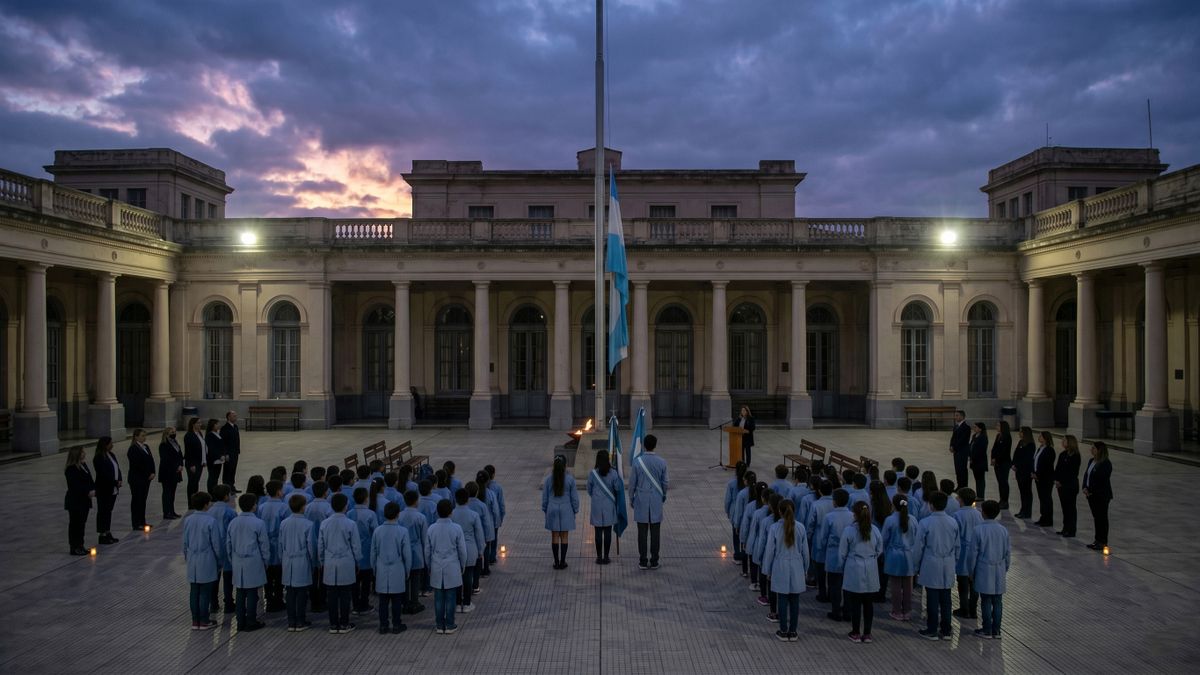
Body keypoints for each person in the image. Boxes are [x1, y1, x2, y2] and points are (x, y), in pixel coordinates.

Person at [915, 491, 960, 640]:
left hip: (931, 561)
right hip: (948, 562)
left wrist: (916, 565)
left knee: (932, 596)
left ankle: (932, 628)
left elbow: (918, 546)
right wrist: (955, 561)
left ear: (931, 505)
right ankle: (946, 629)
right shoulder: (953, 522)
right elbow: (957, 546)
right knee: (946, 597)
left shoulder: (925, 522)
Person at [762, 501, 809, 641]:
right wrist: (806, 569)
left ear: (779, 512)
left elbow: (770, 551)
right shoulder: (800, 527)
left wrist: (767, 570)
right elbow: (805, 551)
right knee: (795, 599)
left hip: (780, 564)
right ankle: (793, 631)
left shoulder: (775, 528)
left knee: (782, 598)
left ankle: (783, 630)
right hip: (796, 565)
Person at [838, 502, 883, 643]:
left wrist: (842, 567)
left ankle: (856, 632)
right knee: (868, 603)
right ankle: (868, 633)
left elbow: (842, 553)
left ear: (855, 514)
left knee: (855, 602)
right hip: (870, 567)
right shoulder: (874, 530)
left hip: (854, 567)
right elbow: (880, 549)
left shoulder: (849, 530)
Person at [966, 500, 1010, 639]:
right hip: (999, 568)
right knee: (998, 600)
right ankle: (996, 630)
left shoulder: (978, 530)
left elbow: (973, 553)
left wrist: (971, 571)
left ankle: (986, 629)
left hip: (984, 568)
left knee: (985, 600)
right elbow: (1007, 553)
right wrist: (1005, 568)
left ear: (983, 513)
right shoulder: (1003, 530)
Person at [319, 492, 361, 634]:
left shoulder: (324, 523)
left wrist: (322, 561)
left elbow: (321, 545)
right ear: (346, 506)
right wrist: (357, 561)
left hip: (330, 562)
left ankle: (333, 623)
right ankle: (344, 623)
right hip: (346, 562)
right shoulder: (350, 524)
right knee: (345, 594)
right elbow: (355, 546)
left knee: (331, 594)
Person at [227, 493, 269, 632]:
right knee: (252, 593)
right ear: (253, 506)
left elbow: (228, 544)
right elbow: (264, 545)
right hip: (253, 561)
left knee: (240, 592)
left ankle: (240, 621)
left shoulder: (233, 522)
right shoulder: (258, 523)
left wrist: (232, 559)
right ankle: (251, 620)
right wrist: (265, 560)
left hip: (238, 560)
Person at [426, 499, 468, 634]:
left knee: (438, 597)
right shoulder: (456, 528)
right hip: (452, 565)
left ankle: (439, 624)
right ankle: (450, 624)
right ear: (451, 512)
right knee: (450, 596)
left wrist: (429, 566)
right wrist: (463, 564)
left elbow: (427, 550)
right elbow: (462, 550)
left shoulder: (431, 528)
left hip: (436, 565)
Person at [182, 491, 223, 631]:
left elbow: (185, 542)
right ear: (206, 505)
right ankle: (204, 620)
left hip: (193, 558)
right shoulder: (211, 521)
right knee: (205, 591)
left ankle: (195, 620)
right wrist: (219, 561)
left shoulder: (188, 520)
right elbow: (216, 544)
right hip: (207, 559)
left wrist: (187, 556)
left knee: (194, 590)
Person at [372, 501, 412, 634]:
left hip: (381, 568)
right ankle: (396, 624)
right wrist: (407, 570)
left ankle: (383, 625)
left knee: (383, 600)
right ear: (398, 514)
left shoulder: (377, 530)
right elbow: (407, 554)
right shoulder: (402, 531)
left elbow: (373, 552)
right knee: (396, 599)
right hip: (397, 569)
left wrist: (374, 569)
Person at [630, 434, 669, 570]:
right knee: (655, 532)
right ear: (655, 445)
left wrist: (631, 498)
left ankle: (642, 560)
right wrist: (663, 494)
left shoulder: (637, 462)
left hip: (641, 498)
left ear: (645, 446)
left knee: (642, 533)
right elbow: (665, 482)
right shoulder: (662, 462)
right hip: (656, 499)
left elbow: (632, 483)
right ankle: (654, 560)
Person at [279, 493, 316, 631]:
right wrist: (313, 562)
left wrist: (281, 558)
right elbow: (310, 546)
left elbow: (280, 543)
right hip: (302, 559)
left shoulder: (284, 523)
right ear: (303, 507)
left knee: (289, 591)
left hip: (287, 559)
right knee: (301, 592)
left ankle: (291, 621)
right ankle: (300, 620)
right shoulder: (308, 524)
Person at [816, 489, 854, 622]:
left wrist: (821, 548)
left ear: (835, 502)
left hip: (833, 552)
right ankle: (848, 611)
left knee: (834, 583)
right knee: (847, 584)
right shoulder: (852, 516)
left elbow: (823, 537)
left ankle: (835, 610)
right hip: (849, 553)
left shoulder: (829, 517)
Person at [882, 494, 919, 621]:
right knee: (908, 584)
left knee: (896, 584)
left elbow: (884, 539)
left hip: (894, 554)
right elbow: (916, 538)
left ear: (893, 505)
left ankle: (896, 610)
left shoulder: (890, 520)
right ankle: (907, 610)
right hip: (909, 554)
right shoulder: (913, 519)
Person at [542, 454, 579, 570]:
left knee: (554, 536)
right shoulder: (570, 479)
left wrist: (545, 509)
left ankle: (556, 562)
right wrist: (575, 509)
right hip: (566, 509)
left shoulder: (548, 479)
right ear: (565, 465)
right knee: (564, 536)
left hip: (552, 508)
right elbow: (574, 498)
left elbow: (545, 497)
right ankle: (563, 561)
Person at [450, 489, 484, 612]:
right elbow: (479, 534)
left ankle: (458, 603)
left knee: (457, 576)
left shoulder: (451, 514)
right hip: (470, 548)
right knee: (468, 576)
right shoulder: (473, 515)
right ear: (468, 499)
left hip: (455, 549)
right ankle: (467, 602)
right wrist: (481, 550)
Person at [258, 480, 290, 612]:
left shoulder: (262, 507)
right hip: (278, 542)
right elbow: (286, 527)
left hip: (265, 542)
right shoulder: (284, 507)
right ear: (278, 491)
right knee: (279, 573)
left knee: (268, 573)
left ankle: (269, 598)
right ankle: (278, 598)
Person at [588, 448, 624, 564]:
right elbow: (618, 488)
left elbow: (589, 489)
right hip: (609, 504)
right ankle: (606, 557)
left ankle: (599, 557)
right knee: (608, 531)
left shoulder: (592, 473)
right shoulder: (613, 473)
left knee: (598, 531)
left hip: (597, 505)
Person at [951, 487, 982, 620]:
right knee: (974, 583)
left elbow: (955, 534)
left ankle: (964, 608)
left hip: (963, 551)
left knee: (962, 583)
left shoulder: (957, 515)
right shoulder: (978, 514)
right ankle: (973, 608)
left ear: (961, 500)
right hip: (976, 550)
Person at [397, 490, 429, 614]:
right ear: (416, 501)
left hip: (402, 550)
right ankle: (415, 602)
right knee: (416, 578)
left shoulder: (399, 515)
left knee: (405, 577)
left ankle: (405, 602)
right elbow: (424, 537)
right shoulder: (420, 517)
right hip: (416, 551)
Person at [303, 481, 333, 613]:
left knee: (313, 573)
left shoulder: (308, 507)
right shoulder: (328, 507)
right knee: (323, 572)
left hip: (310, 542)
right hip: (324, 543)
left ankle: (314, 600)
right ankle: (322, 600)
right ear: (325, 492)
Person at [209, 485, 237, 613]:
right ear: (226, 496)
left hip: (213, 547)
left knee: (214, 575)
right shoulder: (230, 512)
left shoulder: (210, 511)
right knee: (228, 575)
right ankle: (229, 602)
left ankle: (213, 602)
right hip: (226, 547)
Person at [351, 487, 379, 614]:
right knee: (366, 580)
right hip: (367, 550)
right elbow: (375, 532)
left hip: (352, 551)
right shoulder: (370, 514)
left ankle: (355, 604)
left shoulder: (349, 513)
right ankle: (364, 603)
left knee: (355, 580)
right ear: (366, 499)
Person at [64, 446, 95, 555]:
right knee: (75, 524)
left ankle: (80, 545)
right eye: (82, 452)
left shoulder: (84, 465)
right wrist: (87, 491)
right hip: (75, 501)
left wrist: (93, 489)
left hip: (84, 500)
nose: (84, 453)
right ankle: (74, 546)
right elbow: (75, 485)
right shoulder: (71, 469)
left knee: (82, 523)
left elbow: (90, 480)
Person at [1083, 441, 1114, 551]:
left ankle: (1103, 541)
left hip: (1101, 495)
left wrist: (1091, 490)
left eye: (1093, 448)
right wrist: (1084, 487)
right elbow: (1087, 475)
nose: (1091, 450)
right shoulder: (1092, 461)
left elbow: (1102, 480)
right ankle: (1097, 539)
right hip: (1091, 495)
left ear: (1099, 450)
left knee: (1102, 518)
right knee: (1097, 518)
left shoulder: (1105, 463)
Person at [92, 436, 122, 545]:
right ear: (105, 444)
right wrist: (114, 482)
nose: (112, 445)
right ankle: (102, 533)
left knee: (108, 511)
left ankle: (107, 531)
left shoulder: (111, 455)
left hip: (113, 488)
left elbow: (116, 468)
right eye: (110, 443)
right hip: (104, 488)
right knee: (103, 511)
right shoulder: (99, 458)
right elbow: (103, 474)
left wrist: (119, 479)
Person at [125, 428, 155, 530]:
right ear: (136, 437)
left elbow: (151, 460)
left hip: (146, 478)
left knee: (143, 500)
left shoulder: (145, 447)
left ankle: (142, 521)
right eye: (142, 436)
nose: (144, 437)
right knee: (137, 500)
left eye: (145, 435)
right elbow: (137, 465)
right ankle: (136, 523)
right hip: (137, 479)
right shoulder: (133, 449)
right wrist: (147, 473)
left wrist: (153, 471)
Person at [1055, 435, 1082, 538]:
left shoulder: (1075, 456)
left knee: (1070, 508)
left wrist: (1061, 481)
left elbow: (1072, 472)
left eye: (1064, 440)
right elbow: (1058, 468)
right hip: (1061, 485)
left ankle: (1071, 529)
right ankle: (1065, 527)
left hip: (1070, 485)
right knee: (1064, 508)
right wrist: (1056, 480)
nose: (1062, 442)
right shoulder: (1063, 454)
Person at [158, 427, 184, 519]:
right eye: (171, 432)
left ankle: (172, 511)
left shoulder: (176, 443)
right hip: (167, 472)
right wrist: (176, 466)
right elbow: (166, 459)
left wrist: (181, 465)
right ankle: (166, 512)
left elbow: (180, 456)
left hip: (176, 472)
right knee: (167, 493)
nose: (174, 433)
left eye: (174, 431)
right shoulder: (163, 445)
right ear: (166, 434)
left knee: (172, 493)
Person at [1033, 431, 1057, 527]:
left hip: (1045, 478)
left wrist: (1038, 474)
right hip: (1038, 478)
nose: (1039, 437)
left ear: (1045, 438)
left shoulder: (1049, 450)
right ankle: (1043, 517)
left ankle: (1048, 519)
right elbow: (1035, 461)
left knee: (1046, 498)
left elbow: (1046, 465)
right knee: (1042, 498)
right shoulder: (1040, 448)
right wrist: (1033, 472)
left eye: (1040, 436)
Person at [1011, 426, 1036, 519]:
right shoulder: (1021, 442)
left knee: (1026, 492)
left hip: (1025, 471)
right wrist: (1013, 464)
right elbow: (1016, 454)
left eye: (1021, 432)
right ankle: (1022, 510)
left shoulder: (1031, 445)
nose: (1019, 433)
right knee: (1022, 492)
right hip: (1019, 471)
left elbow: (1027, 459)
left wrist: (1018, 465)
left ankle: (1027, 511)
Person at [990, 421, 1012, 510]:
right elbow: (994, 448)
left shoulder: (1007, 437)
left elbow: (1004, 451)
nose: (996, 426)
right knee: (1000, 482)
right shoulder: (998, 436)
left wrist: (996, 458)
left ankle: (1005, 501)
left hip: (1004, 462)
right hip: (997, 462)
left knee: (1004, 482)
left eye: (998, 425)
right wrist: (992, 458)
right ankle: (1001, 499)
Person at [183, 417, 206, 501]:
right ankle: (191, 502)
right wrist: (192, 464)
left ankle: (195, 501)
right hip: (192, 463)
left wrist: (204, 460)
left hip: (199, 462)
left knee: (196, 482)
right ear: (193, 424)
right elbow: (189, 451)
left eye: (200, 423)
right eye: (198, 423)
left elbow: (202, 448)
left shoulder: (199, 433)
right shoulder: (189, 435)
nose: (200, 424)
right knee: (192, 482)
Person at [949, 410, 971, 489]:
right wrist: (951, 445)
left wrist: (954, 447)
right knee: (957, 469)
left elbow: (963, 440)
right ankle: (959, 485)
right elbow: (953, 437)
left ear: (962, 416)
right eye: (955, 415)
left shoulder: (966, 427)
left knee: (962, 469)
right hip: (956, 451)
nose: (955, 417)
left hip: (962, 451)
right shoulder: (956, 426)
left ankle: (964, 486)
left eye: (957, 415)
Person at [220, 411, 241, 492]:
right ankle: (226, 487)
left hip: (235, 452)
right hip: (228, 453)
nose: (235, 417)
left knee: (233, 470)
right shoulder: (224, 428)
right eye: (233, 416)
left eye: (236, 415)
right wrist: (225, 453)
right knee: (227, 470)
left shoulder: (235, 426)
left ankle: (232, 486)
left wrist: (238, 450)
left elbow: (237, 439)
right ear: (228, 417)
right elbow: (223, 442)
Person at [204, 418, 226, 494]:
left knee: (216, 477)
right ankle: (211, 492)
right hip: (213, 459)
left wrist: (223, 454)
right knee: (212, 477)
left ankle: (214, 492)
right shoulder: (210, 435)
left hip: (219, 460)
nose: (218, 425)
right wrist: (219, 455)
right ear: (212, 425)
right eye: (217, 424)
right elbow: (211, 448)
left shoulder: (217, 434)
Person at [968, 423, 989, 500]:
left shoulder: (983, 437)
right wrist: (970, 455)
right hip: (974, 461)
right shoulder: (974, 436)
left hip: (980, 461)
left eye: (975, 427)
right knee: (977, 479)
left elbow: (981, 450)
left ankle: (981, 495)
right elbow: (970, 446)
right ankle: (978, 494)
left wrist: (973, 457)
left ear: (980, 429)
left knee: (980, 479)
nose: (974, 428)